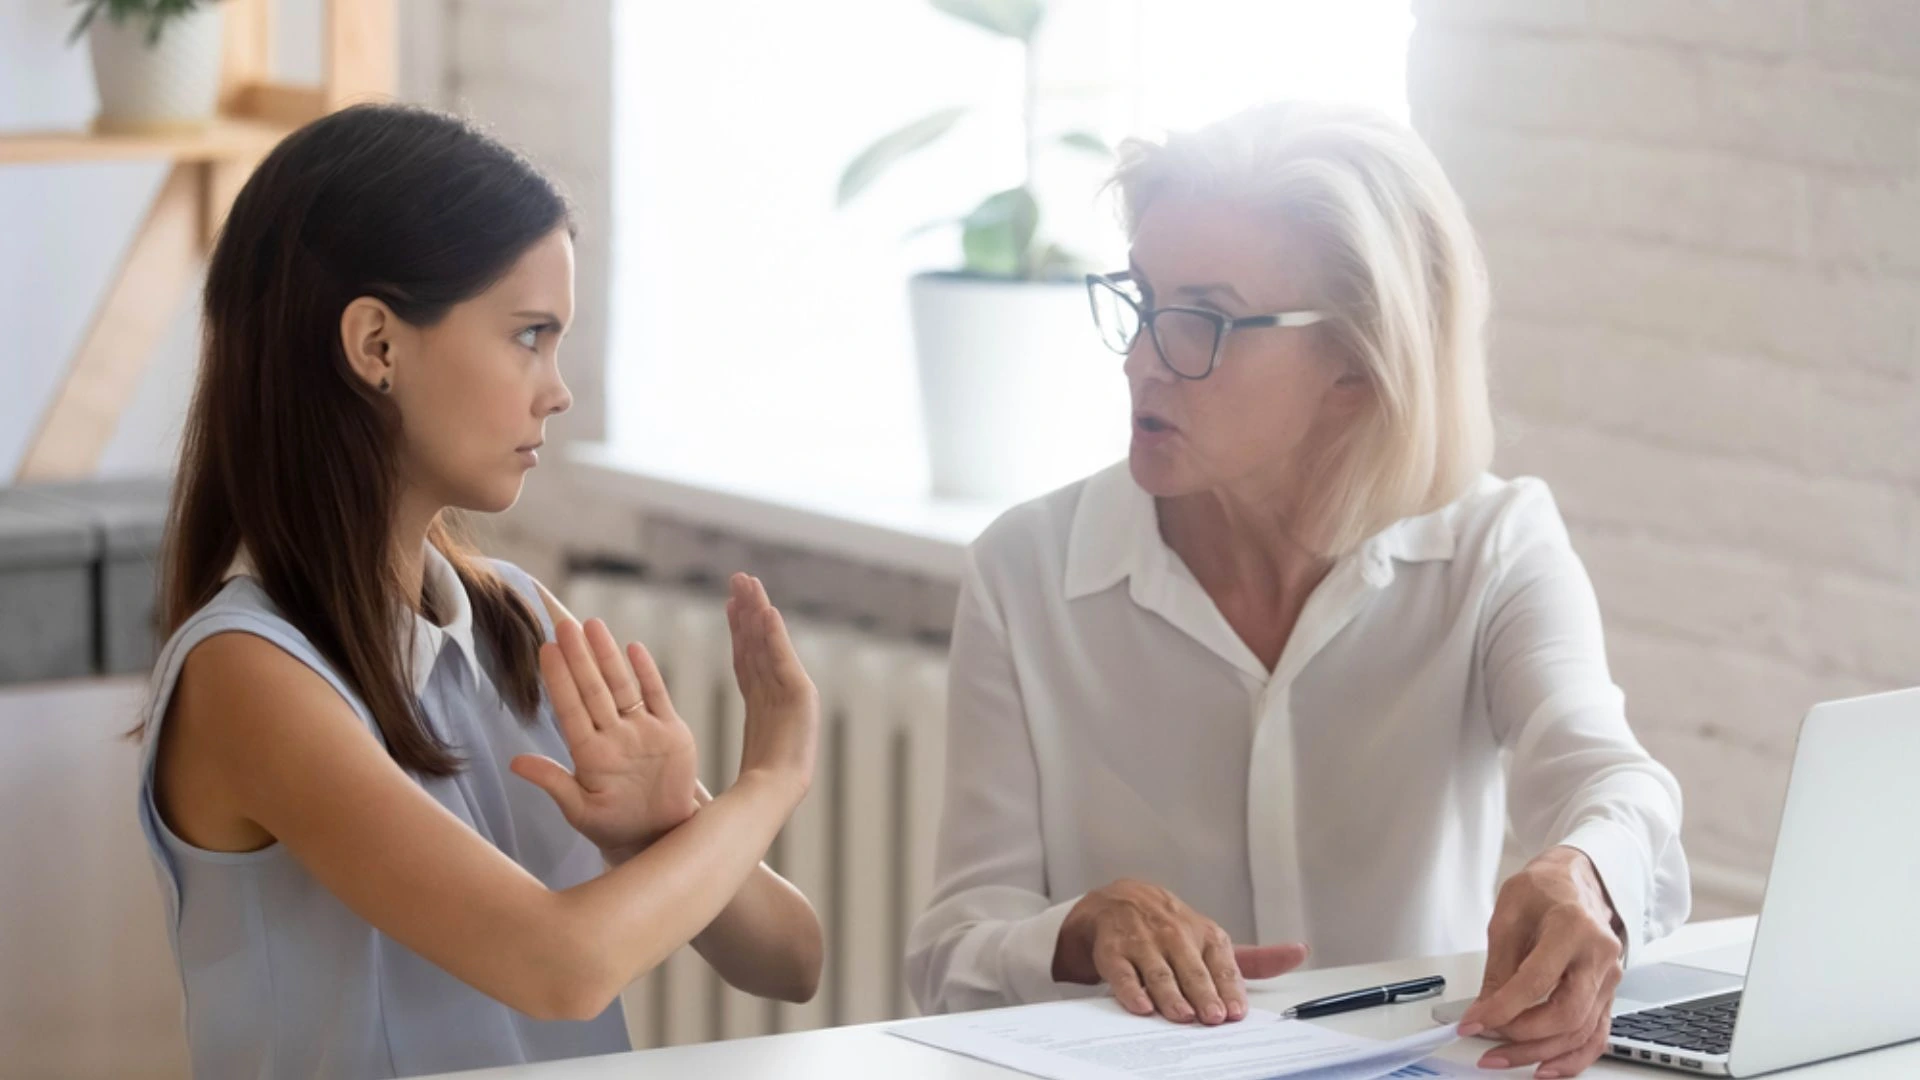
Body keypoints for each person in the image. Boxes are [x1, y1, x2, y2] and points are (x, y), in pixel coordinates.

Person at [906, 102, 1690, 1080]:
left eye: (1204, 319)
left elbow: (1615, 782)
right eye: (1143, 299)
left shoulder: (1491, 546)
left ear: (1357, 368)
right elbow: (949, 956)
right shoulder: (1024, 569)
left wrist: (1580, 871)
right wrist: (1077, 929)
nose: (1143, 357)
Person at [136, 103, 822, 1079]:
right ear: (377, 345)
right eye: (529, 336)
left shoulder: (517, 620)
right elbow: (560, 967)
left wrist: (665, 831)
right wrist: (771, 780)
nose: (558, 389)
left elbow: (792, 960)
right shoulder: (247, 675)